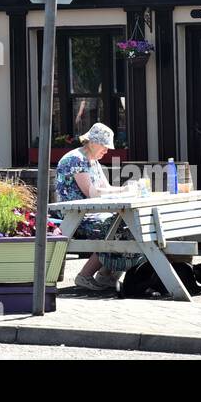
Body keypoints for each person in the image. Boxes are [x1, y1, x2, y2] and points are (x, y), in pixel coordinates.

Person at [55, 122, 136, 292]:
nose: (107, 150)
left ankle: (106, 275)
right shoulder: (76, 159)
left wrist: (128, 189)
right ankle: (85, 276)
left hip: (91, 213)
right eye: (105, 146)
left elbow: (105, 189)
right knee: (117, 228)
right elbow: (92, 192)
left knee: (131, 225)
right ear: (92, 142)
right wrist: (124, 191)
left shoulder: (92, 161)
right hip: (77, 217)